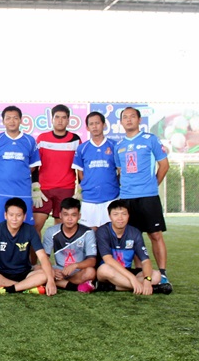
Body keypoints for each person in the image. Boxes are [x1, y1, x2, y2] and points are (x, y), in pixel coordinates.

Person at [114, 107, 171, 284]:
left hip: (148, 197)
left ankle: (162, 273)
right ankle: (140, 273)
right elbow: (120, 171)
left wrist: (152, 185)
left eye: (132, 116)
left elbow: (164, 165)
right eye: (125, 117)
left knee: (155, 235)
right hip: (127, 198)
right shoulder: (119, 146)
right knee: (133, 237)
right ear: (121, 122)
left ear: (139, 120)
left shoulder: (150, 139)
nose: (128, 119)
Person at [0, 198, 56, 296]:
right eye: (11, 215)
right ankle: (24, 286)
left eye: (19, 215)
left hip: (24, 273)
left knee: (48, 273)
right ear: (5, 215)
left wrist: (50, 280)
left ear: (24, 217)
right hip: (0, 273)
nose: (14, 219)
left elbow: (42, 256)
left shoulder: (30, 230)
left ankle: (11, 288)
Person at [95, 199, 172, 295]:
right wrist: (132, 279)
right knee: (104, 269)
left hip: (127, 271)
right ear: (109, 216)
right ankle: (151, 288)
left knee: (156, 275)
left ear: (128, 215)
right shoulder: (103, 231)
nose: (120, 218)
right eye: (115, 214)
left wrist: (147, 279)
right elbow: (108, 260)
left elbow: (146, 261)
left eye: (124, 214)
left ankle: (113, 287)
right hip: (109, 271)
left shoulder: (135, 233)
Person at [0, 106, 41, 226]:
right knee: (0, 226)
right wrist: (2, 177)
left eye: (15, 118)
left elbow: (33, 166)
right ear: (3, 121)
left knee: (24, 226)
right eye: (8, 118)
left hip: (23, 191)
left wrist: (21, 175)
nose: (12, 121)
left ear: (21, 120)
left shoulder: (29, 141)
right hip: (1, 191)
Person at [33, 104, 81, 235]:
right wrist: (35, 185)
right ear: (52, 119)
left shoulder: (75, 140)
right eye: (57, 117)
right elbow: (35, 164)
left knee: (62, 228)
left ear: (68, 120)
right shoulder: (42, 138)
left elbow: (79, 167)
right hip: (43, 189)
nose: (60, 120)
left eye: (63, 117)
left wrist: (80, 188)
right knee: (35, 226)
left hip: (66, 188)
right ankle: (35, 250)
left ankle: (58, 249)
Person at [72, 111, 120, 229]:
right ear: (87, 127)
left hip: (111, 197)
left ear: (104, 125)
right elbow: (80, 172)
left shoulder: (115, 146)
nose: (94, 126)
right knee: (90, 233)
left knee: (110, 232)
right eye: (91, 124)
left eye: (97, 123)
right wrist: (87, 185)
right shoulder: (82, 148)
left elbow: (120, 170)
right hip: (89, 199)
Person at [42, 198, 97, 293]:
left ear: (79, 216)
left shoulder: (87, 232)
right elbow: (44, 257)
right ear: (60, 215)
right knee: (37, 268)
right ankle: (75, 286)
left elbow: (92, 261)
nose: (69, 219)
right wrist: (52, 270)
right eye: (66, 214)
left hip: (78, 271)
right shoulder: (51, 231)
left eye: (73, 215)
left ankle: (59, 283)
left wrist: (75, 265)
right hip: (58, 270)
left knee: (90, 272)